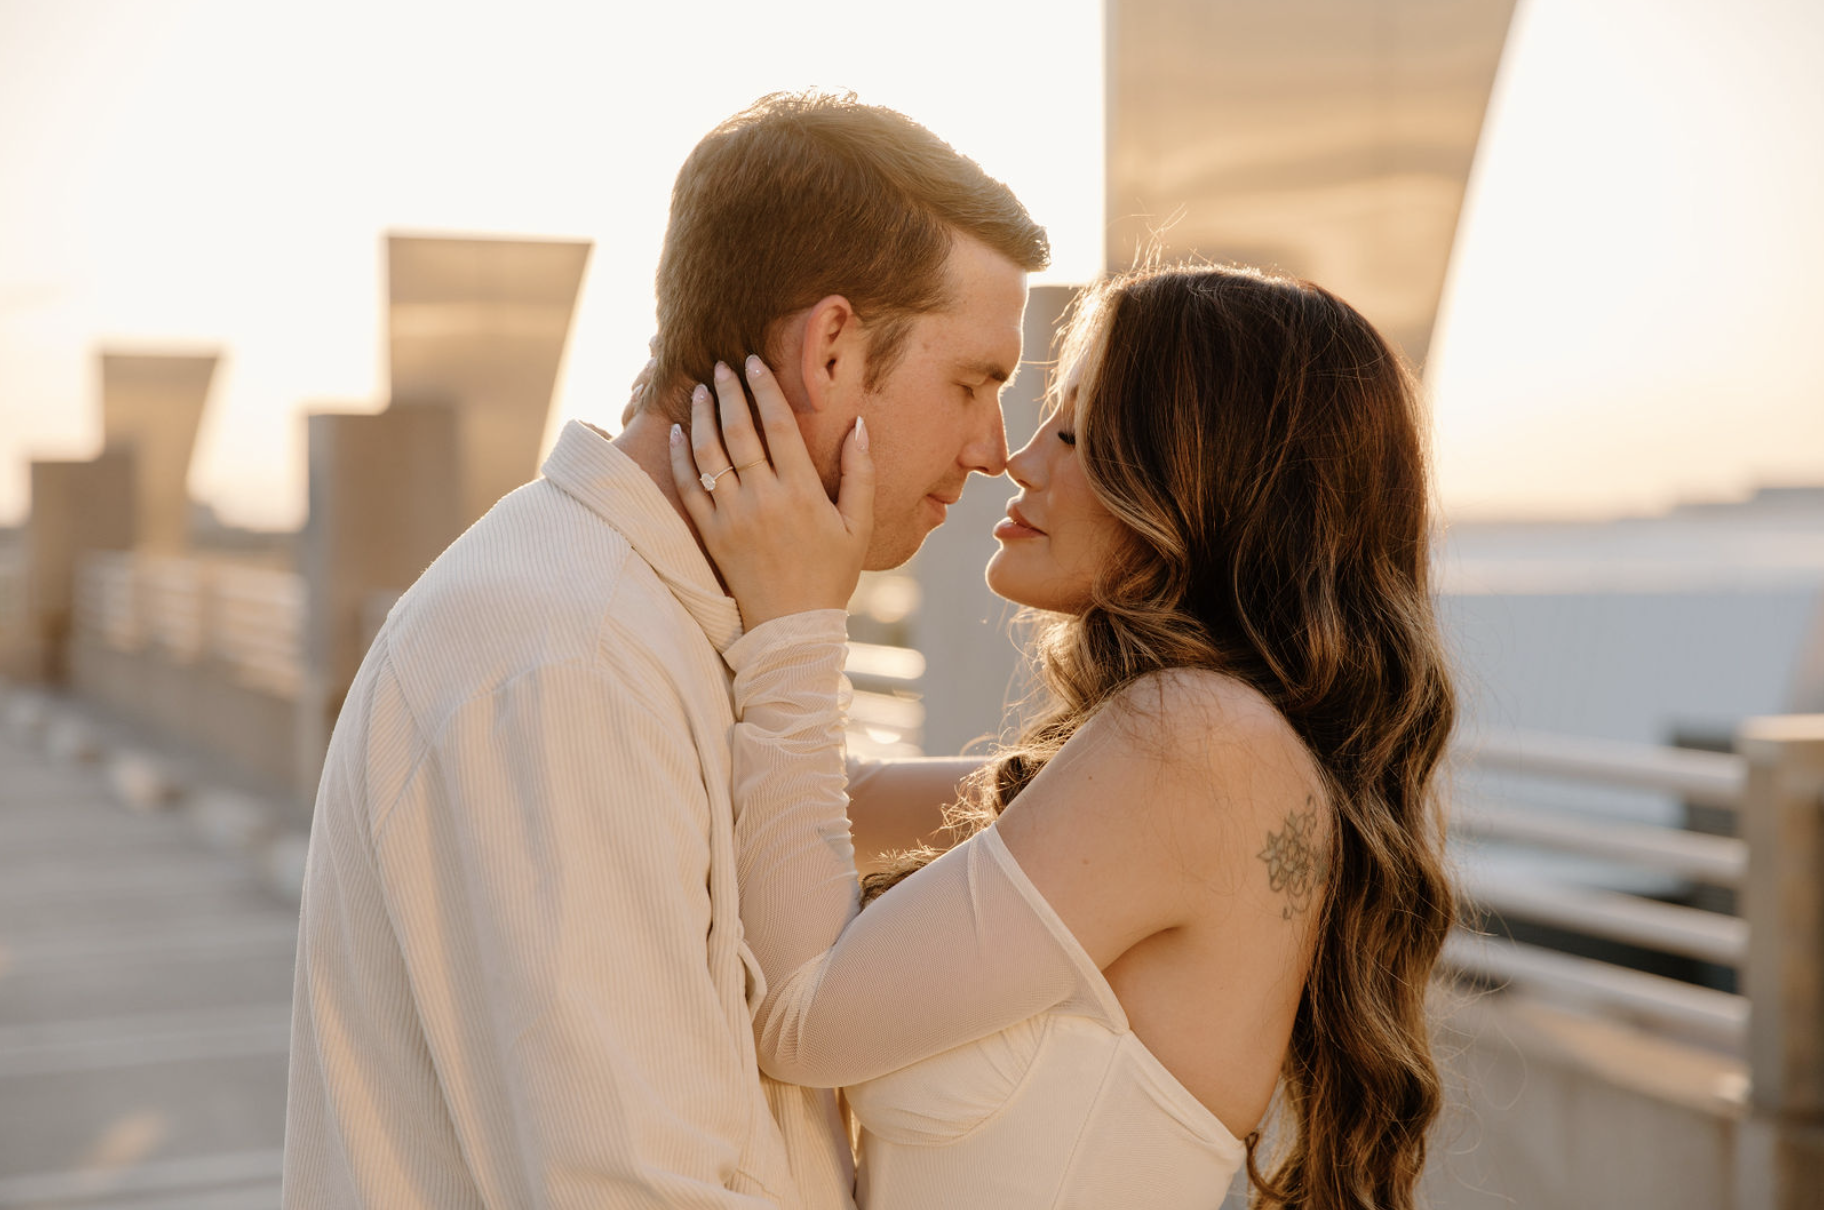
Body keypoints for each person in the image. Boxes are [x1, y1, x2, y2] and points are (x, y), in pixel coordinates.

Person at [282, 90, 1048, 1208]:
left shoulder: (658, 620)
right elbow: (634, 1187)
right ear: (832, 348)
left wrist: (1088, 797)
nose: (995, 447)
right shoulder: (565, 659)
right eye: (974, 381)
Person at [671, 262, 1459, 1209]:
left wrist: (797, 623)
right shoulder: (1197, 748)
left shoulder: (1204, 746)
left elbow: (802, 1019)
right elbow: (834, 802)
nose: (1020, 458)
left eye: (1079, 431)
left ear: (1200, 480)